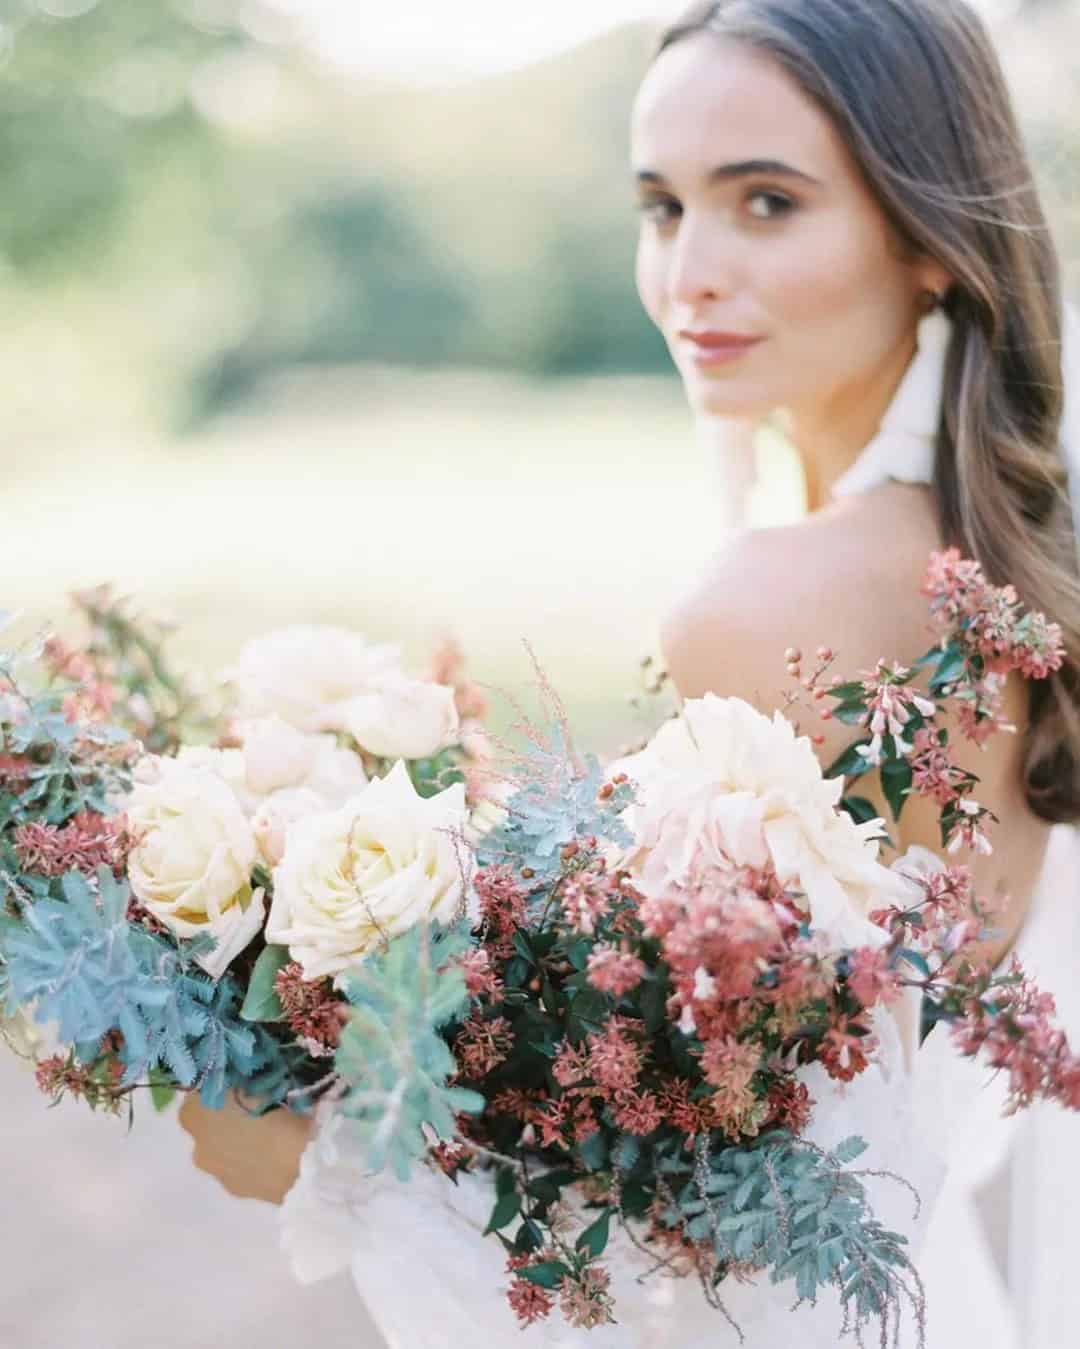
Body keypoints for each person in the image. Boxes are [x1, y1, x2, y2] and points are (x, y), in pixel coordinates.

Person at [181, 2, 1080, 1344]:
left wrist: (307, 1150)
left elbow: (655, 1227)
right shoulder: (1004, 557)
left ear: (929, 239)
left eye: (766, 202)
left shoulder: (768, 602)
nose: (690, 273)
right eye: (662, 208)